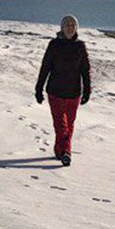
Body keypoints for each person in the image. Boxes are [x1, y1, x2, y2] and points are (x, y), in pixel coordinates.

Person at [35, 15, 91, 166]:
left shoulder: (80, 46)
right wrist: (39, 88)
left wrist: (87, 91)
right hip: (55, 92)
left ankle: (60, 150)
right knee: (61, 125)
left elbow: (85, 70)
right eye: (67, 25)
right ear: (62, 28)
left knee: (69, 125)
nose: (70, 28)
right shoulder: (54, 45)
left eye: (73, 25)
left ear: (76, 28)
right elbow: (45, 67)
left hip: (74, 93)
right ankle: (66, 152)